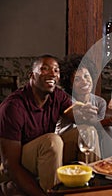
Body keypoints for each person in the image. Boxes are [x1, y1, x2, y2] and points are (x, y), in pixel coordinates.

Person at [0, 55, 100, 195]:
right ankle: (52, 193)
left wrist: (82, 114)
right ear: (31, 75)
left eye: (56, 70)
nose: (52, 73)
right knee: (52, 141)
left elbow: (72, 113)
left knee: (87, 131)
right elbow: (9, 165)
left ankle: (90, 191)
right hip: (20, 162)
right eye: (45, 69)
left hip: (45, 155)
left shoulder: (56, 96)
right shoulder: (13, 107)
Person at [58, 55, 112, 158]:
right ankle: (111, 166)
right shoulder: (67, 101)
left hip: (92, 134)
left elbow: (101, 126)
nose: (84, 81)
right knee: (111, 128)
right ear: (70, 84)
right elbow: (96, 124)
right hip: (70, 139)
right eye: (77, 79)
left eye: (86, 76)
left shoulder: (99, 102)